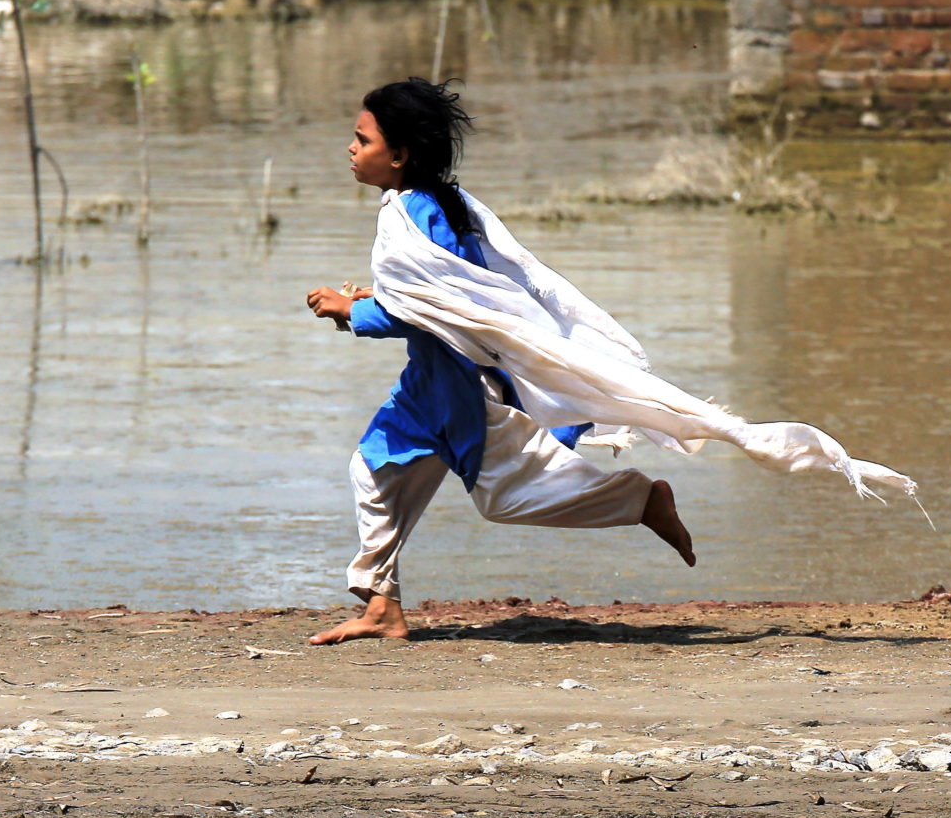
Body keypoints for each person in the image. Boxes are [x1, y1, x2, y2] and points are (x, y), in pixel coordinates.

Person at [304, 78, 916, 647]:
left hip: (453, 387)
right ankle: (382, 605)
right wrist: (375, 302)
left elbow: (429, 306)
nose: (351, 149)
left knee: (498, 497)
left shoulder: (410, 215)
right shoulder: (441, 204)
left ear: (401, 154)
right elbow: (451, 296)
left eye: (363, 140)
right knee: (375, 469)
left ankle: (639, 502)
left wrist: (351, 311)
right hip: (431, 380)